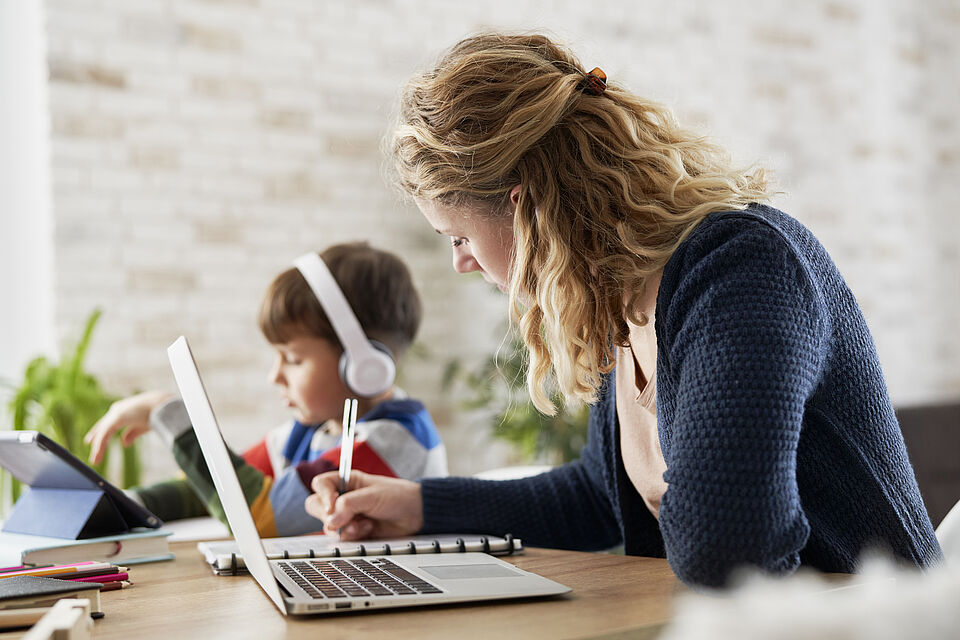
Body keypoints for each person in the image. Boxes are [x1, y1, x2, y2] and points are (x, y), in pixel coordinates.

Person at [304, 33, 943, 588]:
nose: (461, 263)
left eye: (460, 237)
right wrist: (414, 507)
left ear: (525, 209)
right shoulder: (619, 300)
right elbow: (599, 498)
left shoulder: (743, 269)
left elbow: (729, 544)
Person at [86, 241, 447, 537]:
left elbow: (260, 517)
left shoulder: (394, 441)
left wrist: (163, 410)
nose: (274, 376)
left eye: (292, 359)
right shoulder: (308, 432)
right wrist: (114, 507)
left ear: (363, 366)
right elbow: (221, 487)